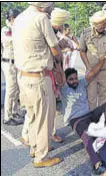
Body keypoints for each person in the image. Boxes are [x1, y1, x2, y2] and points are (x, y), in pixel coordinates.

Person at [12, 2, 62, 167]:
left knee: (33, 116)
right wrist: (60, 61)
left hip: (23, 76)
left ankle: (35, 147)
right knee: (44, 118)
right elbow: (55, 49)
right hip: (38, 77)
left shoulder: (19, 18)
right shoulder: (41, 18)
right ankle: (41, 157)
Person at [61, 58, 106, 175]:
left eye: (75, 78)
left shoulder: (82, 82)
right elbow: (59, 77)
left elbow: (93, 73)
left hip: (90, 114)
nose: (74, 81)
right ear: (66, 80)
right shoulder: (63, 88)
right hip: (76, 120)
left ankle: (102, 130)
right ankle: (97, 164)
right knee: (86, 138)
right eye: (71, 79)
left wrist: (103, 60)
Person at [1, 9, 24, 126]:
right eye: (16, 17)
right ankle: (7, 116)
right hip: (8, 62)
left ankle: (15, 112)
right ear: (11, 18)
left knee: (16, 89)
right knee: (10, 90)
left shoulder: (16, 29)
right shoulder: (5, 30)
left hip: (16, 63)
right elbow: (12, 40)